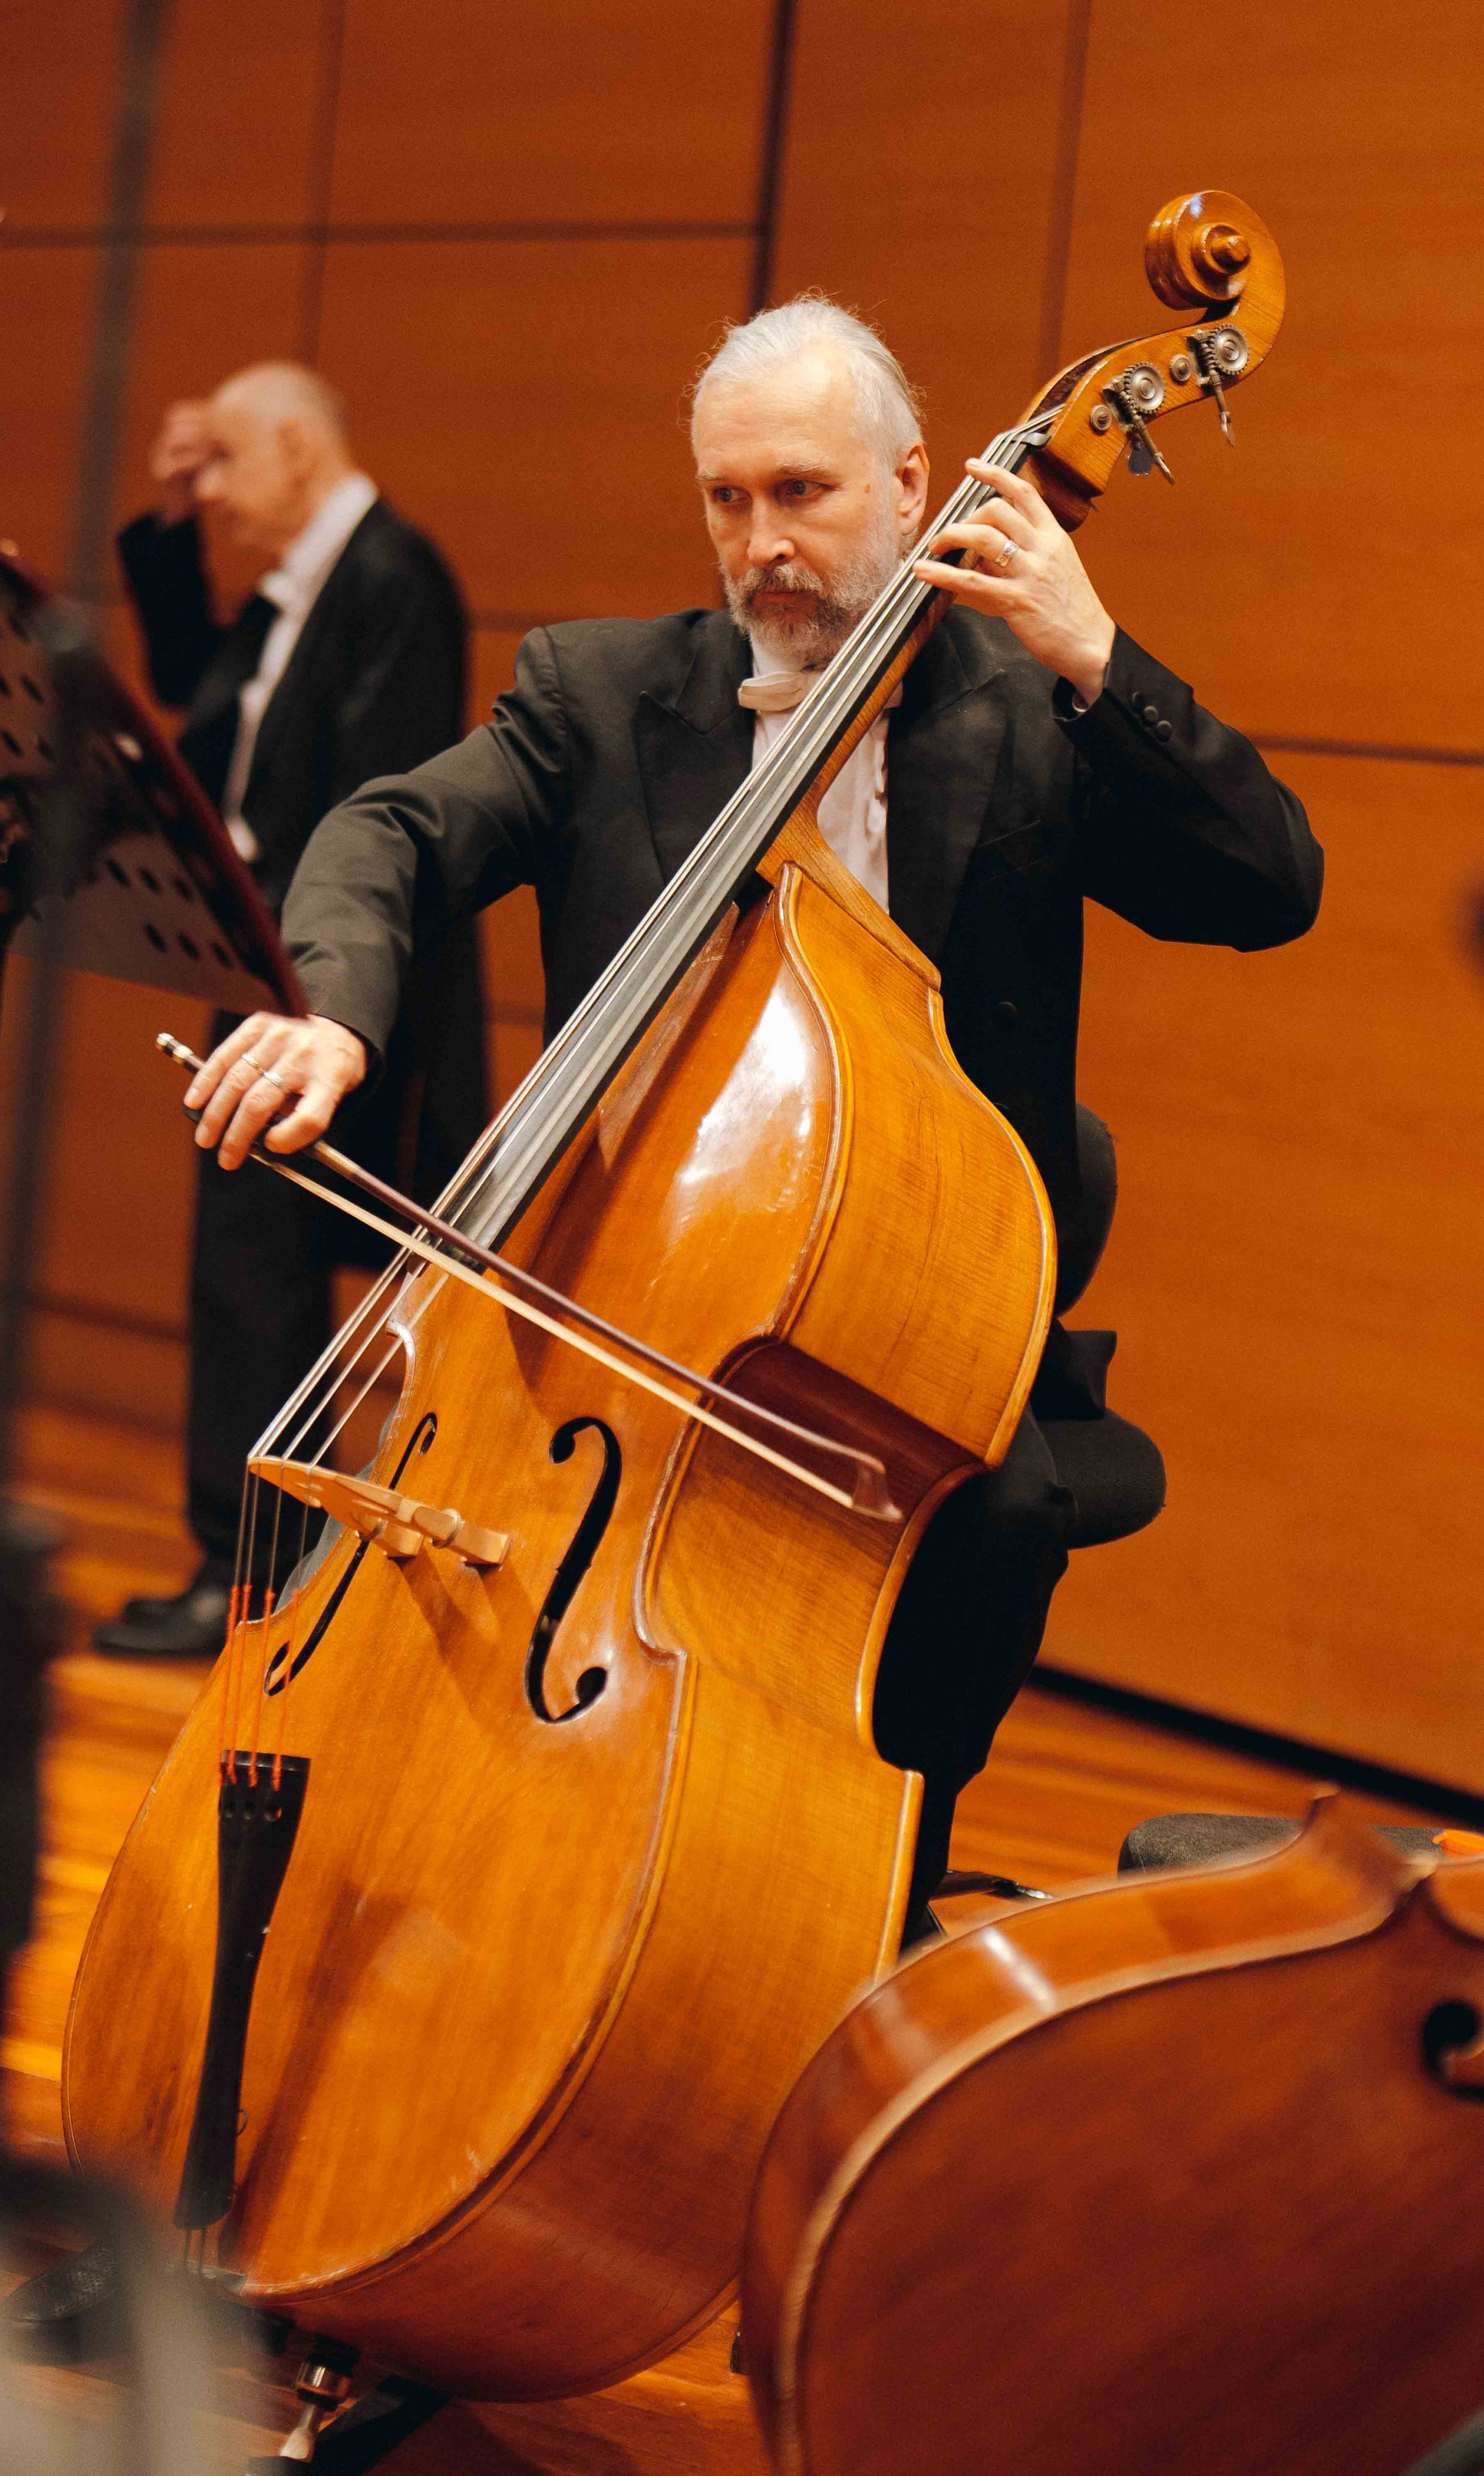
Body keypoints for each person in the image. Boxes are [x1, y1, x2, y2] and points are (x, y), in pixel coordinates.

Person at [180, 300, 1323, 1931]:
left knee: (992, 1521)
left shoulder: (1022, 713)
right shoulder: (598, 692)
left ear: (916, 482)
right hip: (616, 1305)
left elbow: (1266, 886)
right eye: (727, 499)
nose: (760, 545)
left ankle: (871, 1885)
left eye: (802, 493)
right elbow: (392, 832)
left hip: (912, 1328)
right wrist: (336, 1020)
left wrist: (1093, 657)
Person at [93, 362, 488, 1659]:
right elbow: (194, 686)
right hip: (263, 962)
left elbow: (373, 811)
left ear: (299, 457)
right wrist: (161, 529)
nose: (206, 494)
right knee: (243, 1270)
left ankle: (250, 1576)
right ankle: (243, 1563)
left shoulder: (392, 577)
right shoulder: (293, 588)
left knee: (258, 1276)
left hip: (339, 988)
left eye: (221, 470)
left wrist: (270, 923)